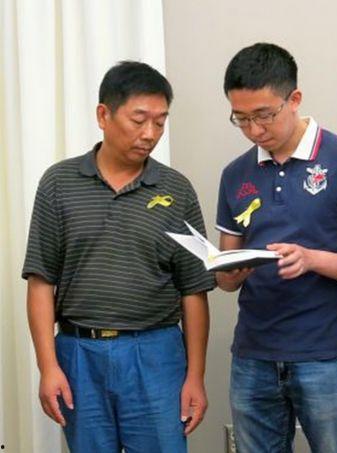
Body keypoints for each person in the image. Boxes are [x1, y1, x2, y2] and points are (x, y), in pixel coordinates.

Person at [22, 61, 214, 453]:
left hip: (156, 353)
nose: (150, 134)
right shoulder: (58, 183)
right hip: (79, 352)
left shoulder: (176, 190)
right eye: (139, 120)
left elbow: (193, 290)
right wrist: (48, 366)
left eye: (160, 122)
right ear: (103, 115)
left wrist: (195, 376)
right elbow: (41, 281)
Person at [216, 43, 337, 453]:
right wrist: (228, 273)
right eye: (241, 119)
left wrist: (310, 259)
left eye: (264, 115)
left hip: (327, 353)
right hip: (253, 353)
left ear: (295, 99)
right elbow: (225, 278)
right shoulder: (235, 174)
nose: (254, 130)